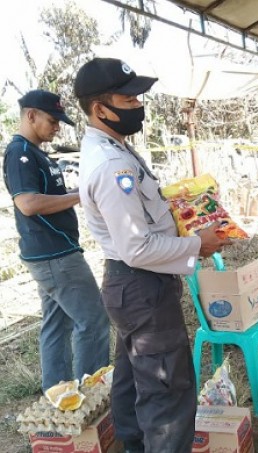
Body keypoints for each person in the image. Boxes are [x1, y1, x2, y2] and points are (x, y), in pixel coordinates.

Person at [74, 57, 231, 453]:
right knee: (168, 394)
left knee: (131, 379)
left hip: (135, 286)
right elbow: (137, 246)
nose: (138, 104)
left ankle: (133, 446)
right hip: (141, 284)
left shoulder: (114, 148)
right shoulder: (111, 166)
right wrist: (199, 244)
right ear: (100, 109)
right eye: (128, 99)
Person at [2, 90, 110, 392]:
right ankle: (93, 397)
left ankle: (58, 395)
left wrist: (77, 191)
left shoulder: (37, 153)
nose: (57, 127)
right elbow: (28, 203)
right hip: (55, 255)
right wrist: (82, 196)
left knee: (56, 324)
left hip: (50, 253)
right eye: (52, 120)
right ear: (30, 115)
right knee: (93, 321)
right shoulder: (19, 153)